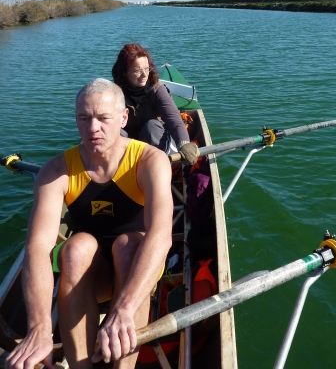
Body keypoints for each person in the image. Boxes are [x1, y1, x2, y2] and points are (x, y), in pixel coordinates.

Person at [6, 78, 173, 369]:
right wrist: (39, 326)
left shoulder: (150, 160)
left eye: (102, 118)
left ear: (123, 117)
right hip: (88, 274)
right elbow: (37, 248)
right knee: (77, 247)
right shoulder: (56, 170)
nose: (92, 128)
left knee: (128, 245)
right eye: (84, 118)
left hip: (135, 267)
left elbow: (161, 234)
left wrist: (124, 308)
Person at [112, 43, 198, 165]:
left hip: (156, 142)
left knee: (151, 126)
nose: (144, 74)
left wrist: (184, 143)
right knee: (114, 130)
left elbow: (174, 119)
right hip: (130, 145)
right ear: (124, 72)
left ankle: (156, 170)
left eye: (147, 68)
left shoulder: (157, 89)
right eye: (138, 70)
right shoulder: (115, 93)